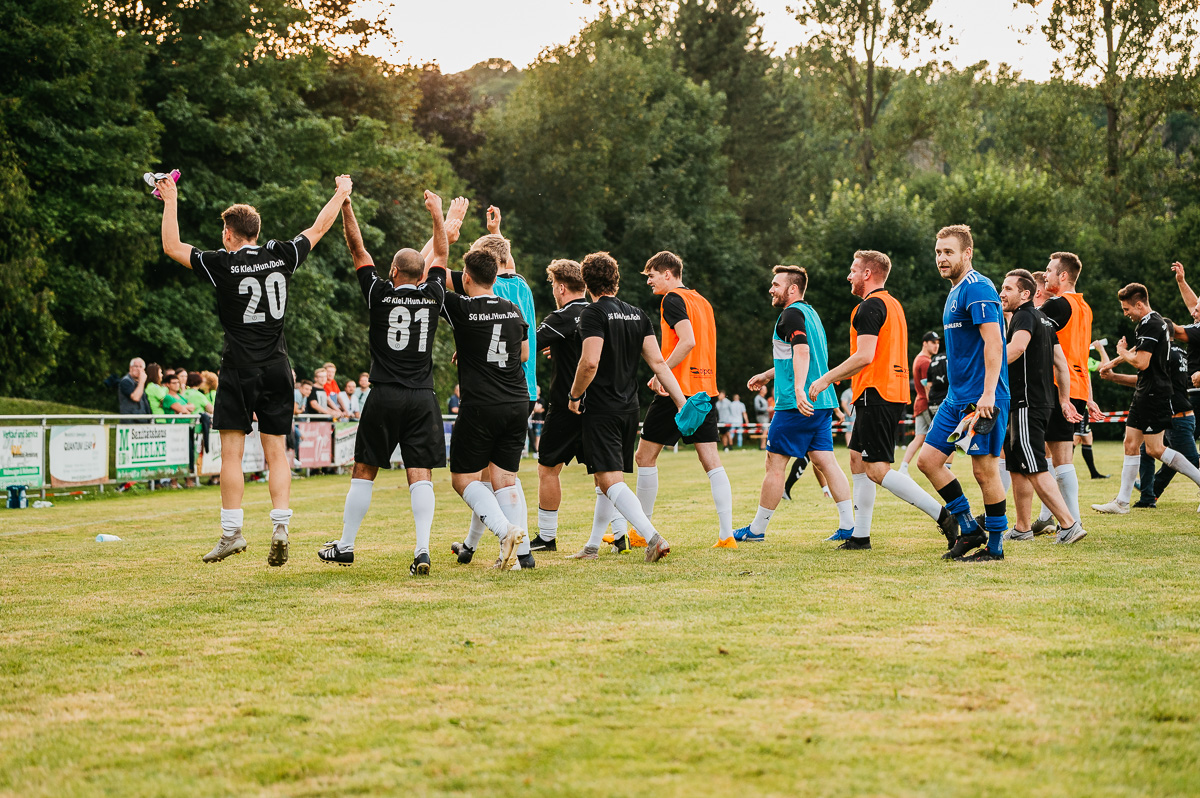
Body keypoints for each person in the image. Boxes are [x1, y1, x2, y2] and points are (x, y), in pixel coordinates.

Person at [155, 171, 352, 566]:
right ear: (256, 232)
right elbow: (318, 228)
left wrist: (171, 199)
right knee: (276, 451)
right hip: (278, 366)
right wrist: (341, 192)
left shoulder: (222, 263)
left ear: (229, 234)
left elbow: (172, 246)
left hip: (238, 367)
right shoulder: (281, 255)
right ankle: (280, 527)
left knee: (231, 453)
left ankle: (232, 533)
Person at [319, 190, 449, 575]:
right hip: (422, 396)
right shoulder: (434, 294)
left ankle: (345, 546)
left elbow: (357, 247)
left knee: (364, 471)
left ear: (393, 271)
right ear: (422, 275)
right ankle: (422, 550)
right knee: (420, 475)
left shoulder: (378, 294)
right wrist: (437, 214)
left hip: (384, 394)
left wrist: (347, 205)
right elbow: (442, 253)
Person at [807, 251, 959, 550]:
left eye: (853, 270)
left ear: (867, 274)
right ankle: (860, 536)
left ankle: (944, 517)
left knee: (877, 469)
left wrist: (826, 378)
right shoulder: (891, 303)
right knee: (856, 460)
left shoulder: (869, 306)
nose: (849, 276)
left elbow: (865, 355)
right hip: (884, 391)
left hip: (877, 392)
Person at [563, 251, 687, 563]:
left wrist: (575, 395)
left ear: (586, 283)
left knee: (609, 479)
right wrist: (681, 402)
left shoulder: (593, 313)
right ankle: (592, 546)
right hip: (630, 408)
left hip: (602, 408)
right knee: (605, 478)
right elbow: (659, 363)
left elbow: (590, 362)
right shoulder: (637, 314)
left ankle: (653, 538)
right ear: (616, 280)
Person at [734, 265, 854, 543]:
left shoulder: (789, 315)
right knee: (825, 461)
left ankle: (756, 530)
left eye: (776, 285)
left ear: (792, 288)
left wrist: (798, 390)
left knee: (774, 463)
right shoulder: (811, 314)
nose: (771, 289)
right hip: (821, 400)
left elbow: (802, 351)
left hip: (796, 404)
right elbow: (796, 356)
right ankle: (849, 526)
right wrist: (767, 375)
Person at [917, 225, 1010, 562]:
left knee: (984, 471)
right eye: (938, 252)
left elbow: (994, 343)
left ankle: (995, 548)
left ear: (967, 254)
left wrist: (988, 394)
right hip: (956, 398)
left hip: (982, 398)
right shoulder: (954, 291)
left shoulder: (978, 287)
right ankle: (970, 528)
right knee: (928, 461)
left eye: (949, 252)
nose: (941, 258)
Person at [440, 247, 534, 571]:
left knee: (463, 479)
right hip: (517, 400)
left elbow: (429, 277)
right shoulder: (512, 308)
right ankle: (521, 558)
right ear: (495, 278)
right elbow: (523, 354)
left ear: (466, 278)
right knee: (505, 479)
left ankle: (505, 531)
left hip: (482, 403)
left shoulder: (461, 307)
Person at [633, 251, 735, 548]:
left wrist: (661, 371)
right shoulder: (702, 301)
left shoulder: (671, 299)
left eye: (652, 275)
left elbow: (687, 340)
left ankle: (641, 532)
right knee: (712, 462)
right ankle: (726, 535)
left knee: (644, 457)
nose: (649, 281)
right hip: (706, 390)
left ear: (668, 273)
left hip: (677, 389)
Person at [530, 259, 619, 551]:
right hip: (601, 405)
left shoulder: (562, 316)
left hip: (567, 405)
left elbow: (527, 344)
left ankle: (546, 537)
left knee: (548, 468)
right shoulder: (599, 313)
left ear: (561, 287)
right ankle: (620, 534)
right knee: (603, 472)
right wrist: (562, 349)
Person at [997, 269, 1087, 543]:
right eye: (1002, 287)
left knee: (1034, 465)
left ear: (1025, 294)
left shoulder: (1024, 315)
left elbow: (1017, 348)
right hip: (1037, 403)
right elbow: (1061, 364)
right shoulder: (1045, 320)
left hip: (1026, 403)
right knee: (1017, 466)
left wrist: (984, 364)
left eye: (1008, 289)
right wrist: (1063, 400)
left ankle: (1068, 525)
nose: (1002, 293)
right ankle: (1022, 528)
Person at [1093, 283, 1200, 512]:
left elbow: (1141, 362)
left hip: (1154, 393)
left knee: (1155, 449)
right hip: (1144, 392)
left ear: (1139, 304)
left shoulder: (1150, 323)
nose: (1126, 314)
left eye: (1127, 309)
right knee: (1130, 443)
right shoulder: (1154, 322)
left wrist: (1121, 353)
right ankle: (1122, 502)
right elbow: (1137, 350)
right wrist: (1113, 363)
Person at [1120, 339, 1197, 507]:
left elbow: (1145, 377)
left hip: (1175, 415)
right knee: (1149, 451)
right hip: (1175, 413)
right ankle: (1148, 497)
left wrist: (1117, 369)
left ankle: (1140, 497)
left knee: (1188, 458)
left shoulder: (1165, 353)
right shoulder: (1181, 352)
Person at [900, 332, 940, 475]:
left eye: (938, 343)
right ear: (925, 343)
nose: (936, 346)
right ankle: (941, 468)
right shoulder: (925, 362)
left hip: (920, 403)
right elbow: (927, 386)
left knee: (919, 437)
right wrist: (933, 405)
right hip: (927, 404)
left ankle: (903, 468)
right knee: (940, 436)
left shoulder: (919, 358)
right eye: (933, 342)